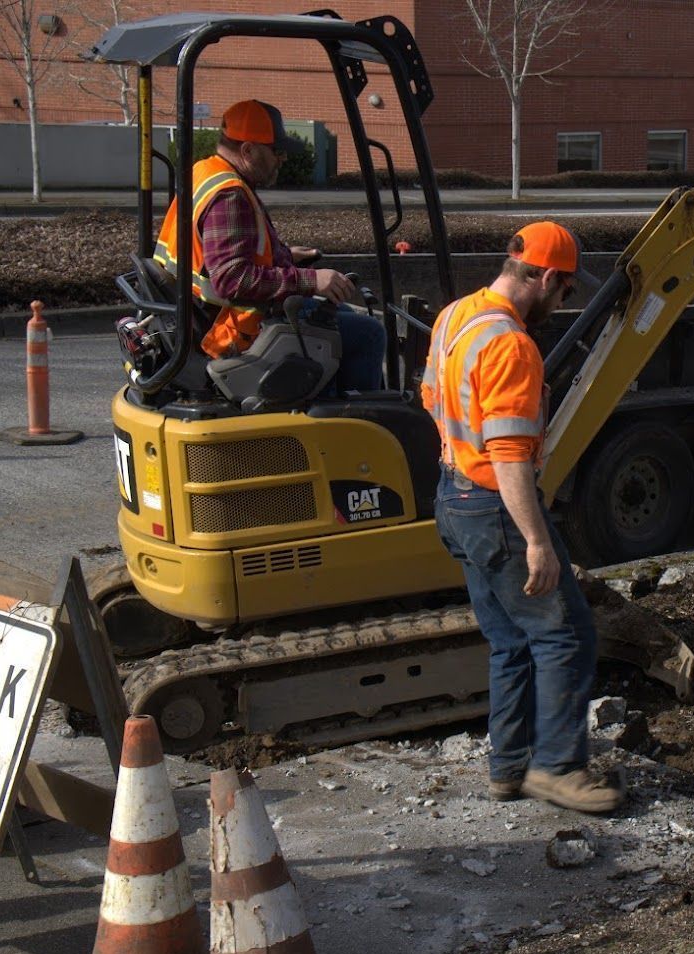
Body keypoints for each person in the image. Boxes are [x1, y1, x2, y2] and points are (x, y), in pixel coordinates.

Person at [423, 221, 620, 815]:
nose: (563, 305)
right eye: (564, 294)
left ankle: (508, 768)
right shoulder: (512, 345)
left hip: (453, 497)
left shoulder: (456, 316)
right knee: (566, 636)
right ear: (547, 277)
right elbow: (509, 458)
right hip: (493, 506)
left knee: (509, 639)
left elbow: (430, 396)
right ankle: (558, 769)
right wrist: (537, 540)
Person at [152, 99, 385, 392]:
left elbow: (219, 256)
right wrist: (311, 280)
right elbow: (231, 279)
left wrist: (283, 255)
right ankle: (360, 423)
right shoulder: (230, 197)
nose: (282, 159)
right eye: (277, 151)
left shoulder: (205, 172)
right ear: (248, 150)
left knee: (345, 316)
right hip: (233, 328)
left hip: (209, 316)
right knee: (369, 334)